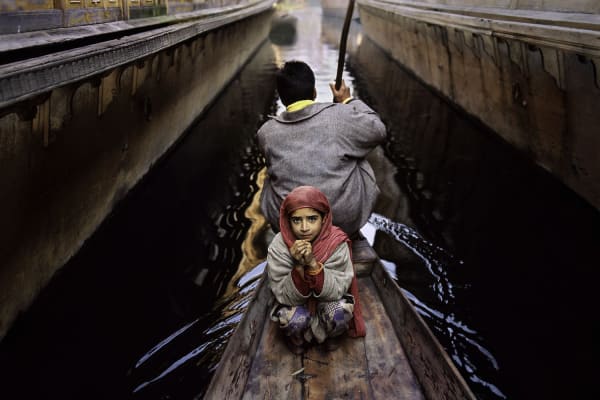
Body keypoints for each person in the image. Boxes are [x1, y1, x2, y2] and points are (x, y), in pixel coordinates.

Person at [257, 60, 387, 247]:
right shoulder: (341, 116)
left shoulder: (266, 133)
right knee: (357, 153)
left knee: (270, 174)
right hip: (342, 220)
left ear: (282, 98)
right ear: (314, 92)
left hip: (289, 224)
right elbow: (378, 130)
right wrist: (347, 101)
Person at [267, 186, 366, 354]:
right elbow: (283, 295)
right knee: (290, 317)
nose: (304, 227)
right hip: (297, 305)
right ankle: (297, 338)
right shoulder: (279, 246)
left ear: (324, 218)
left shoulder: (336, 243)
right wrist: (298, 267)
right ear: (287, 221)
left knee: (340, 312)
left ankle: (333, 334)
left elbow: (337, 291)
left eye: (312, 219)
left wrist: (313, 265)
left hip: (326, 303)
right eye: (296, 220)